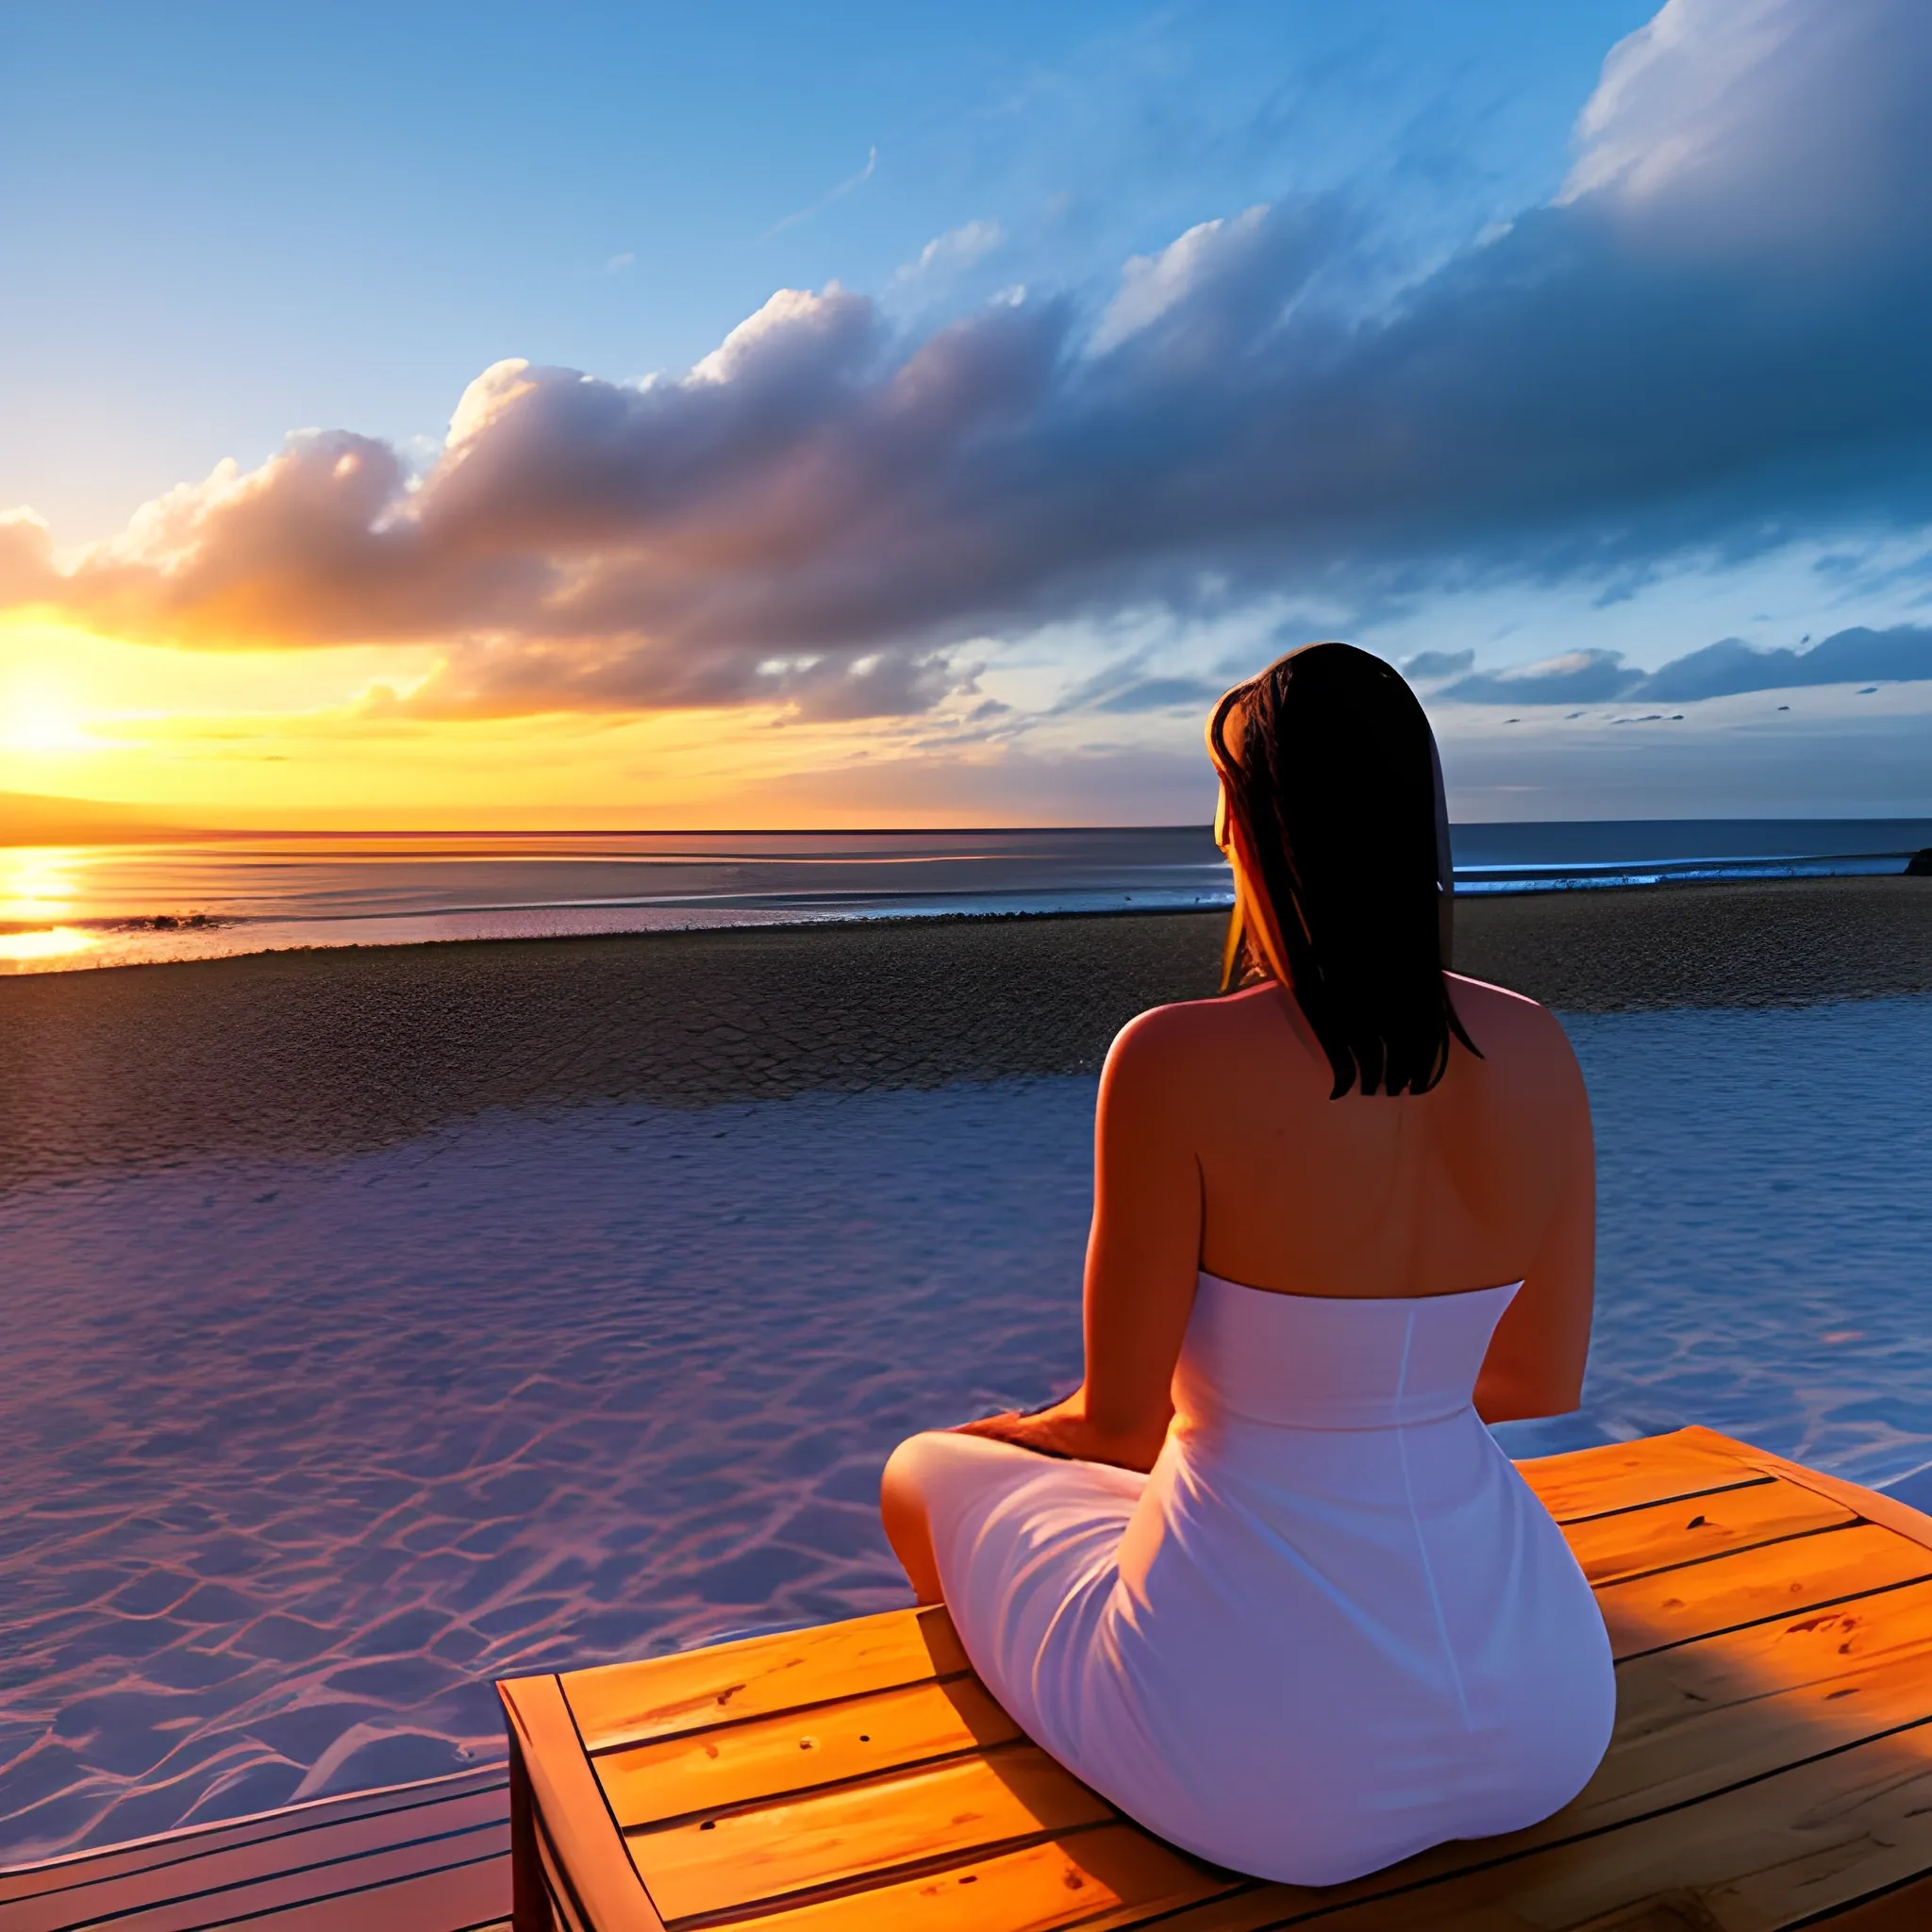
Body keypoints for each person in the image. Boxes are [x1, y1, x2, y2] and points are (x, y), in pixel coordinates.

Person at [880, 641, 1615, 1888]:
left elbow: (1116, 1424)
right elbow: (1538, 1381)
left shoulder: (1172, 1060)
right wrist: (1362, 1409)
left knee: (922, 1472)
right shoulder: (1536, 1047)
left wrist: (1027, 1433)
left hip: (1267, 1771)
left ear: (1252, 821)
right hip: (1547, 1715)